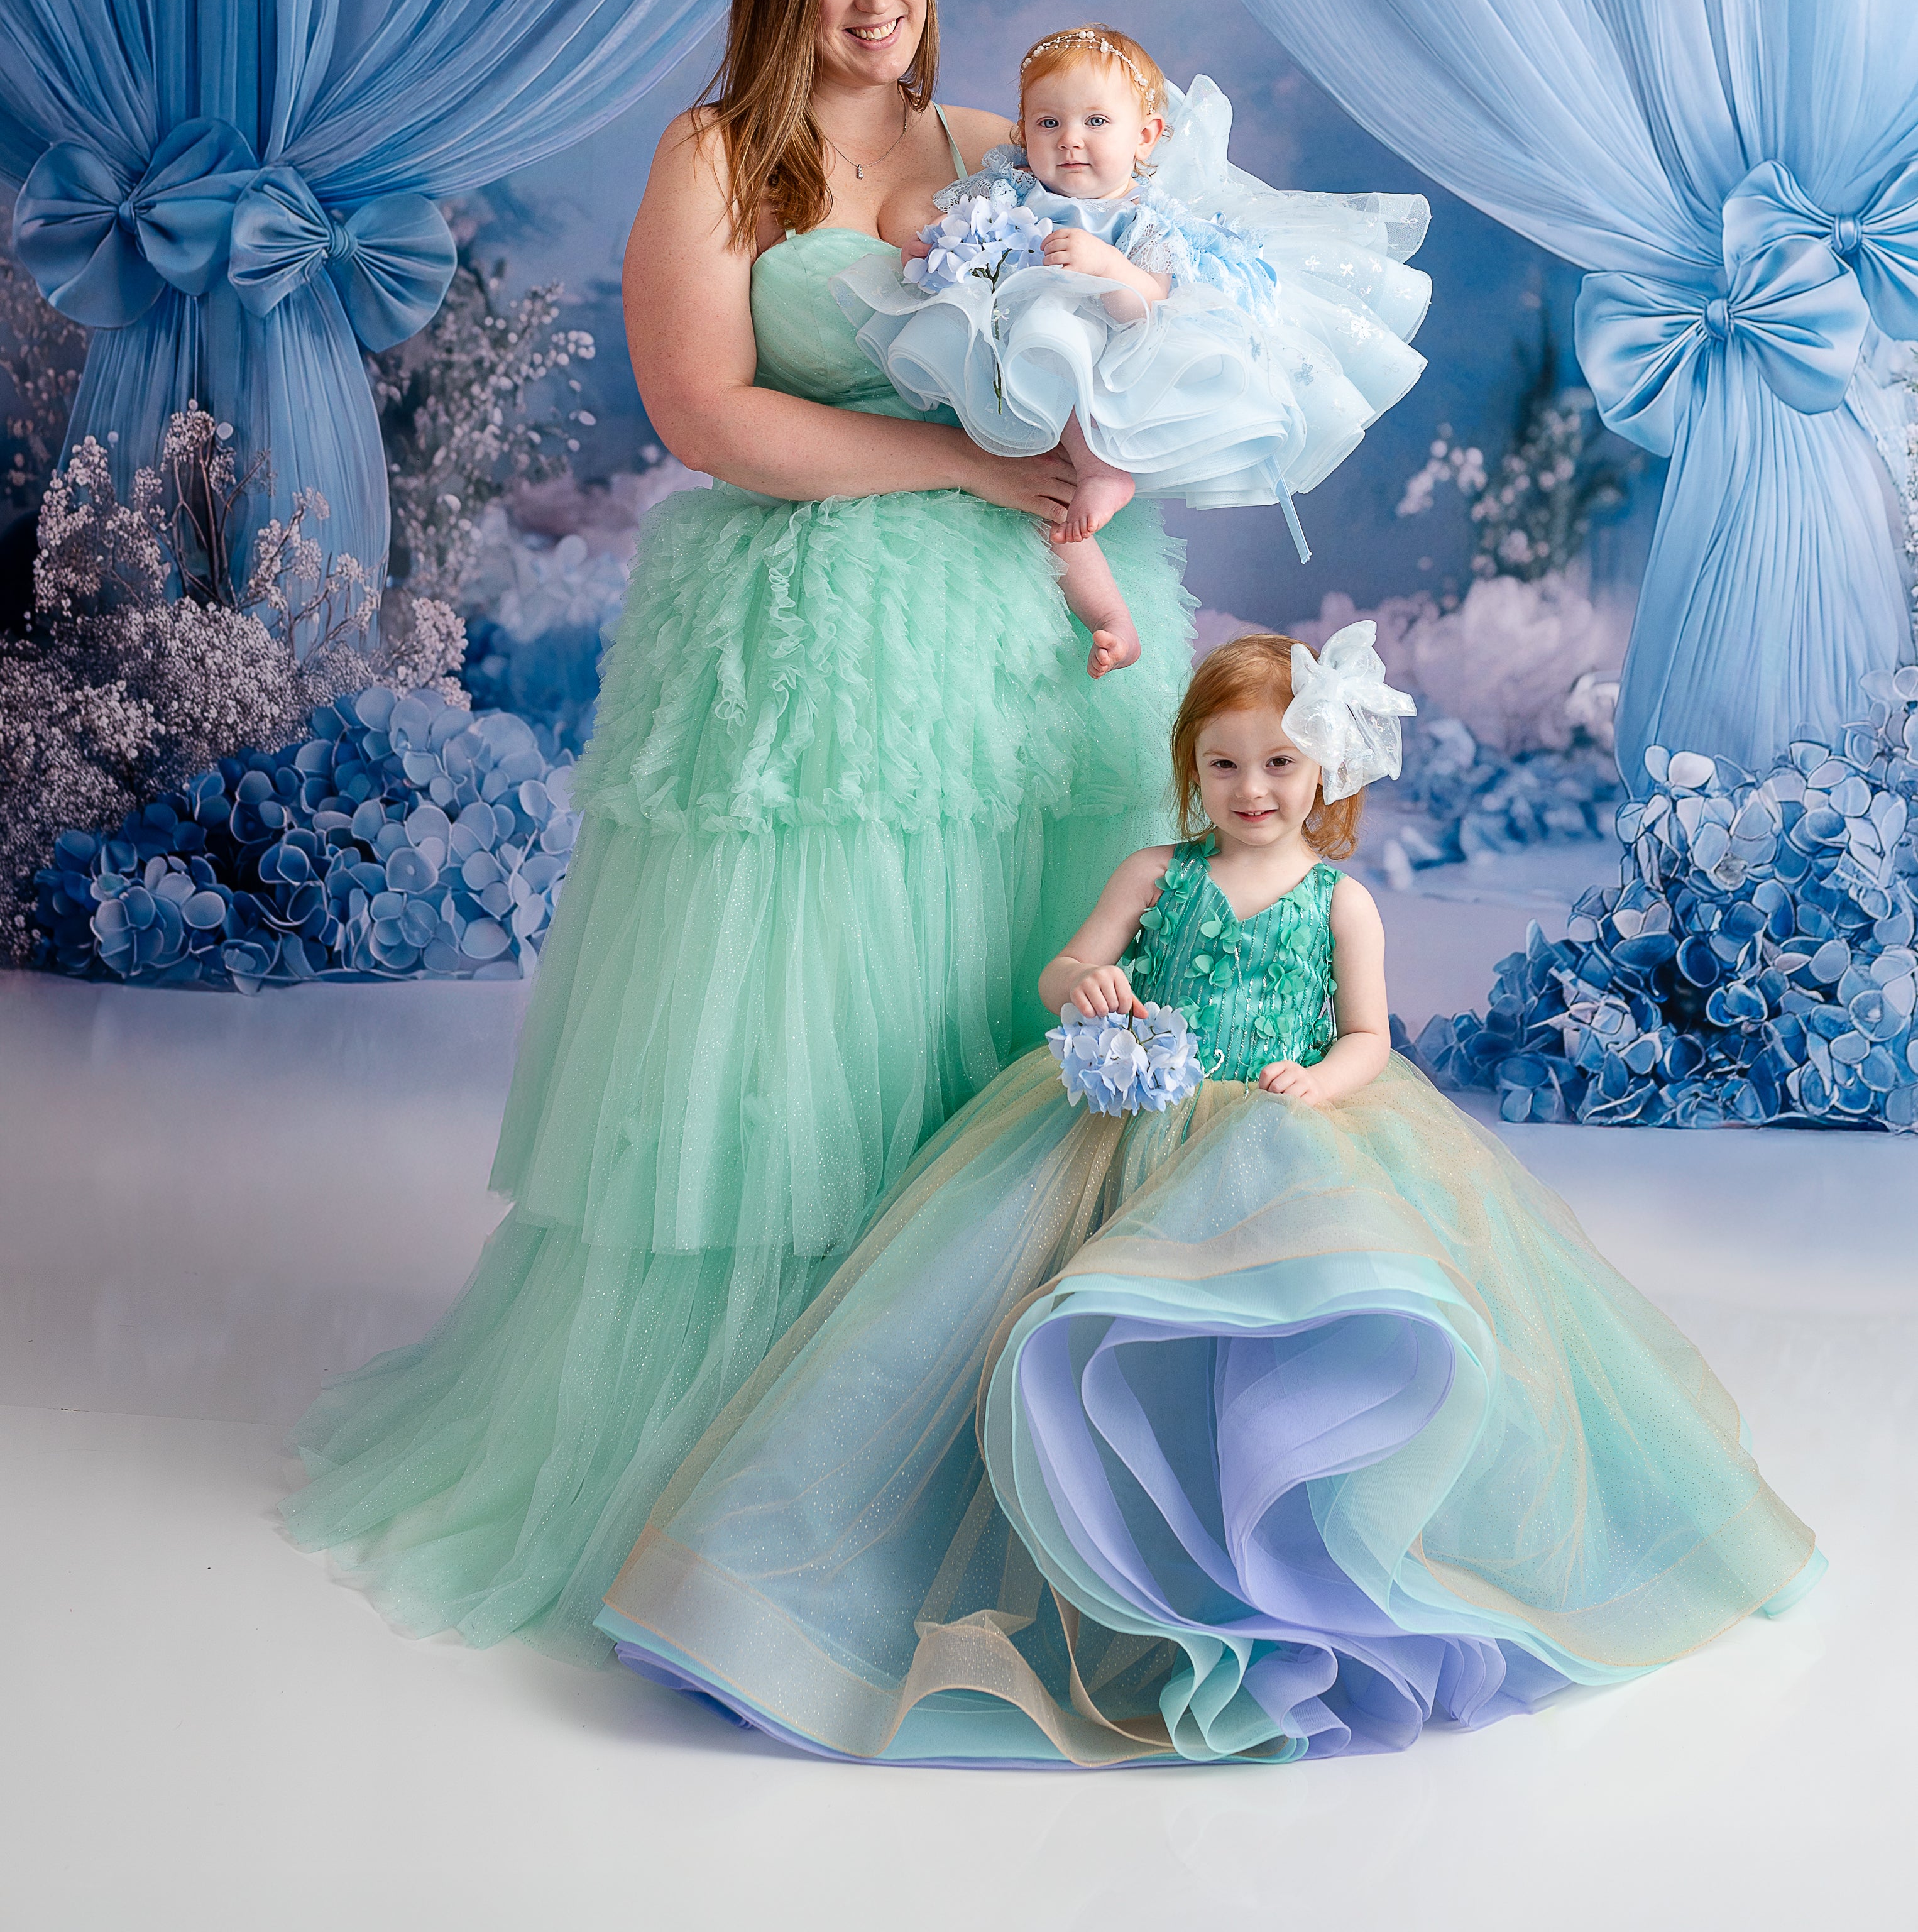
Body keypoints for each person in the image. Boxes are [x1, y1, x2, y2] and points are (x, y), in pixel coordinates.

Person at [280, 0, 1192, 1659]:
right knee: (817, 1018)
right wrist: (963, 466)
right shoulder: (713, 158)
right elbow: (710, 412)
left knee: (1002, 993)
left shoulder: (990, 155)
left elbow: (1119, 343)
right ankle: (786, 1445)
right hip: (813, 635)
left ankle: (1006, 1404)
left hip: (1012, 634)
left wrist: (1108, 458)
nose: (875, 1)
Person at [601, 628, 1821, 1765]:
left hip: (1286, 1135)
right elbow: (1069, 961)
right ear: (1191, 768)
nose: (1250, 788)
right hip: (1127, 1127)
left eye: (1278, 763)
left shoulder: (1338, 899)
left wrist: (1322, 1081)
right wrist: (1088, 986)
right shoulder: (1156, 871)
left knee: (1279, 1346)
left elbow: (1367, 1033)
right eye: (1223, 762)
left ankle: (1286, 1581)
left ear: (1320, 770)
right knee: (1056, 1329)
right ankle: (1074, 1581)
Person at [833, 25, 1432, 678]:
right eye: (1048, 122)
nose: (1070, 139)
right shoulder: (1007, 192)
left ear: (1144, 137)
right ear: (1023, 134)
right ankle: (1109, 620)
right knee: (1044, 501)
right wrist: (934, 251)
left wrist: (1107, 266)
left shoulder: (1144, 221)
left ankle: (1104, 489)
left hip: (1106, 378)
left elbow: (1148, 303)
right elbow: (957, 234)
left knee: (1062, 461)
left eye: (1095, 121)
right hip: (1024, 386)